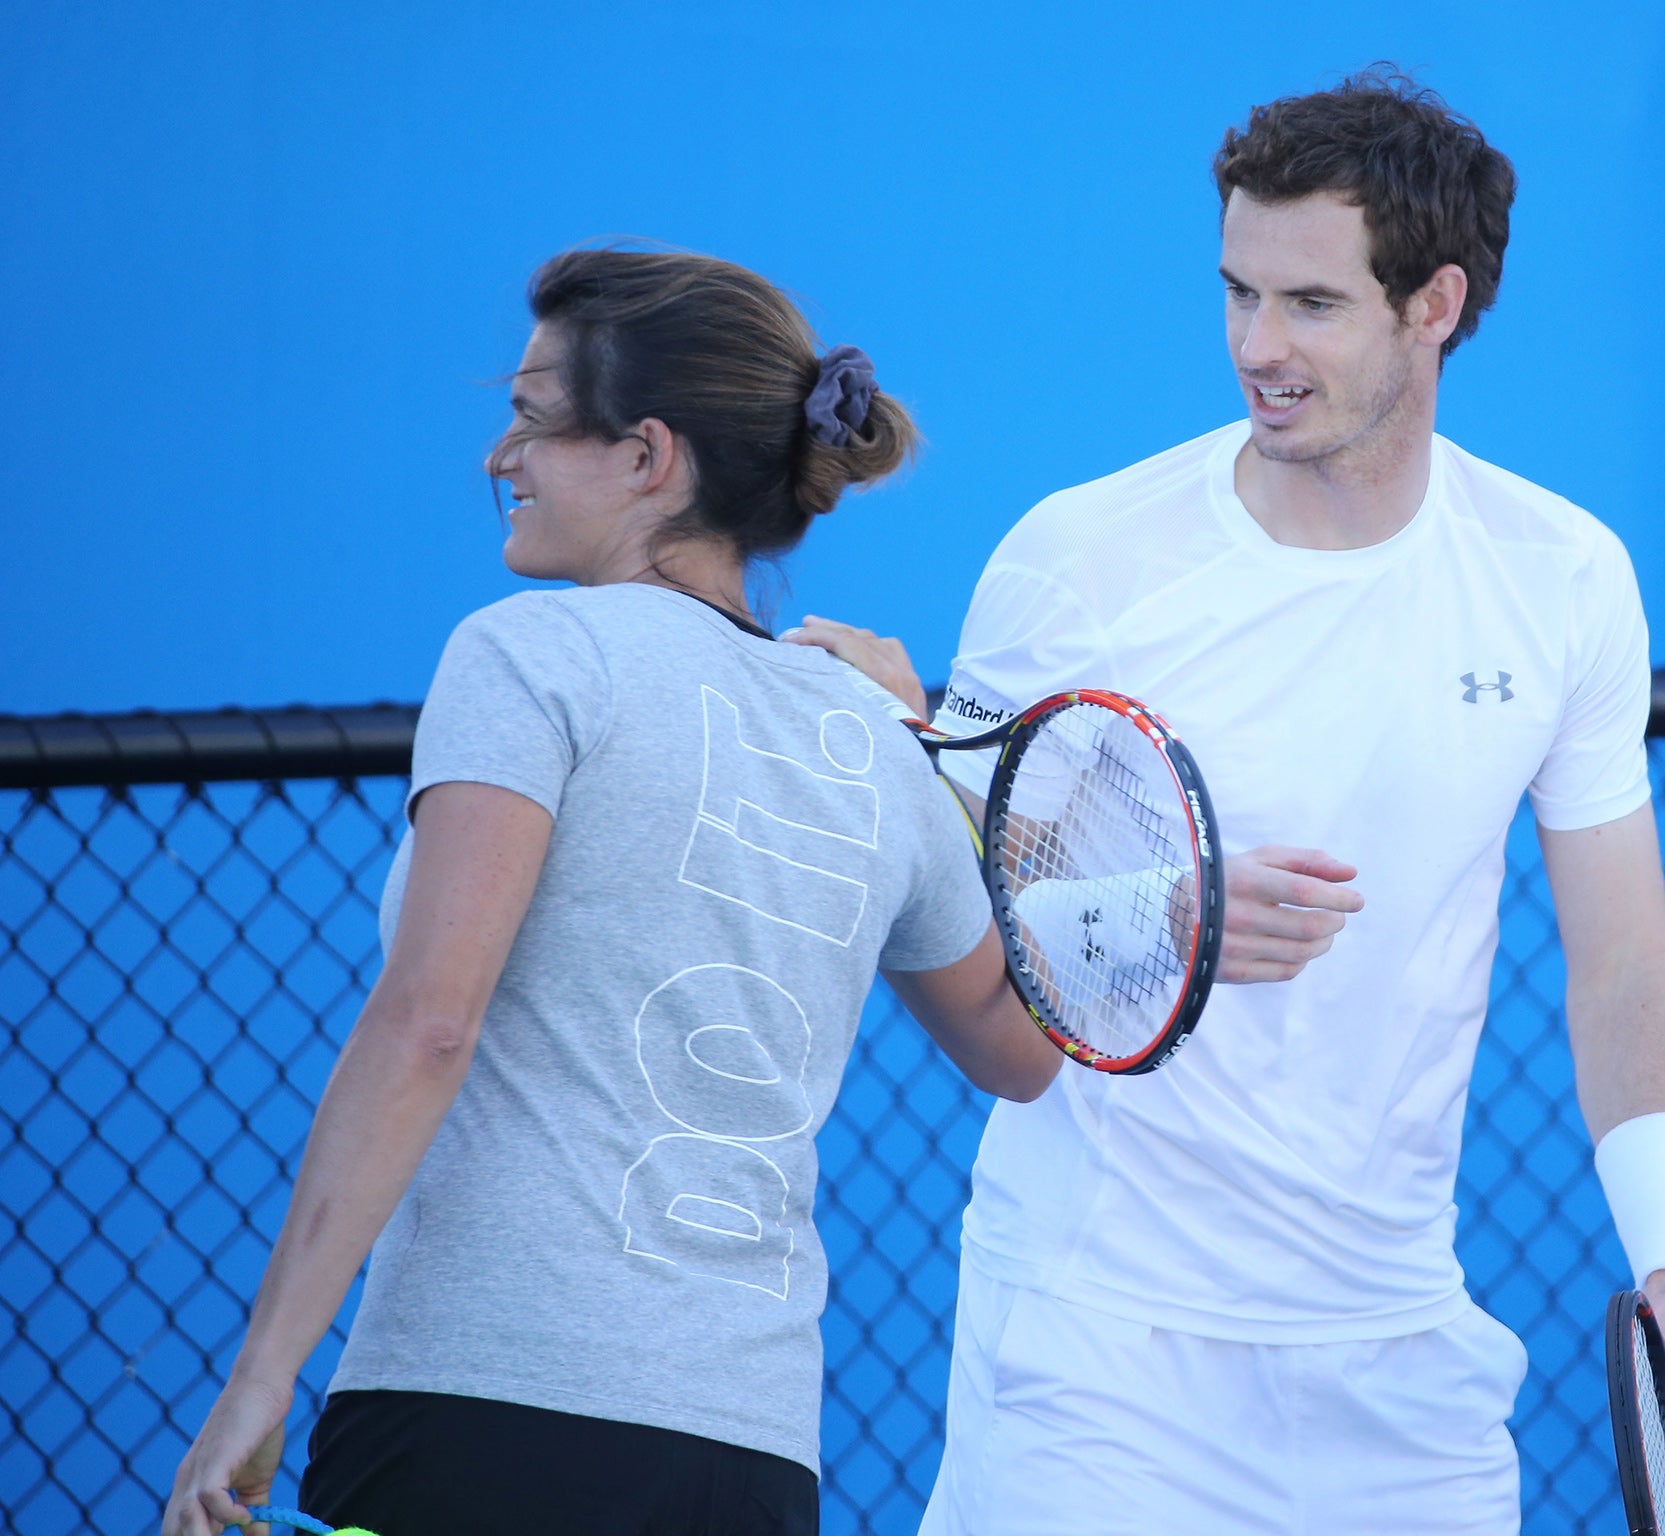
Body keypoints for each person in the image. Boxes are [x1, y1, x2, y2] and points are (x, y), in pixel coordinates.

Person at [788, 67, 1665, 1535]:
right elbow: (975, 942)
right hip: (1103, 1351)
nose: (1256, 347)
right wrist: (1177, 921)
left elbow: (1621, 962)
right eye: (1237, 293)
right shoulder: (1081, 558)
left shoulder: (1563, 578)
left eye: (1309, 304)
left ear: (1433, 305)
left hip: (1405, 1364)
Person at [160, 249, 1062, 1536]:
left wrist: (256, 1384)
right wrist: (949, 782)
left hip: (480, 1418)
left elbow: (428, 1023)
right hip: (751, 1464)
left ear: (648, 457)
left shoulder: (527, 654)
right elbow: (1023, 1050)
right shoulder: (873, 735)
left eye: (530, 417)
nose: (497, 455)